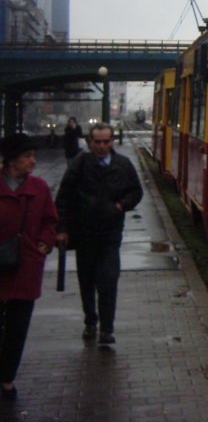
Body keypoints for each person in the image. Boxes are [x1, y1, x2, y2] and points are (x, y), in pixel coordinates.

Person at [55, 123, 143, 345]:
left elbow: (136, 191)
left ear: (112, 141)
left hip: (110, 234)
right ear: (90, 142)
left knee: (108, 280)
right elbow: (63, 197)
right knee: (86, 281)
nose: (101, 146)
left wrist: (120, 206)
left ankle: (106, 328)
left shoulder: (123, 165)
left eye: (105, 142)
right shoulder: (80, 163)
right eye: (97, 142)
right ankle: (90, 321)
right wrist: (62, 229)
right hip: (84, 233)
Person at [0, 133, 58, 400]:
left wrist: (45, 244)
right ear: (11, 160)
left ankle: (7, 378)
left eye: (34, 156)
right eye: (27, 156)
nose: (33, 161)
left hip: (25, 267)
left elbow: (50, 220)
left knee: (17, 327)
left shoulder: (39, 188)